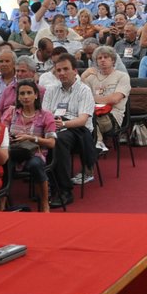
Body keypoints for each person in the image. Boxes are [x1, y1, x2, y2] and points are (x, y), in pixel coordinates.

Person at [44, 52, 98, 199]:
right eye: (58, 70)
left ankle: (64, 190)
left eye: (65, 69)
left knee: (58, 140)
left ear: (75, 71)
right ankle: (45, 185)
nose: (61, 73)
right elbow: (45, 114)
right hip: (53, 125)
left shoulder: (84, 90)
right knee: (36, 137)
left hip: (77, 130)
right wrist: (51, 125)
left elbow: (82, 120)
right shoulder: (51, 89)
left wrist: (63, 124)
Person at [2, 80, 56, 211]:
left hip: (34, 153)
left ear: (36, 95)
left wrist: (31, 138)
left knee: (35, 165)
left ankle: (44, 202)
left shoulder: (46, 115)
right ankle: (2, 203)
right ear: (18, 97)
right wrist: (8, 138)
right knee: (1, 162)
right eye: (22, 94)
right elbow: (1, 132)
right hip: (13, 151)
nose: (25, 97)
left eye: (29, 93)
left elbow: (52, 143)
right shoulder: (11, 112)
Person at [82, 45, 131, 152]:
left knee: (89, 119)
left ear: (113, 60)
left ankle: (97, 142)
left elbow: (114, 99)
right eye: (99, 58)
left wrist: (92, 98)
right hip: (92, 112)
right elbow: (81, 97)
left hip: (113, 116)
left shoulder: (122, 76)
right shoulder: (91, 77)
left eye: (106, 57)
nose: (102, 60)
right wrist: (83, 76)